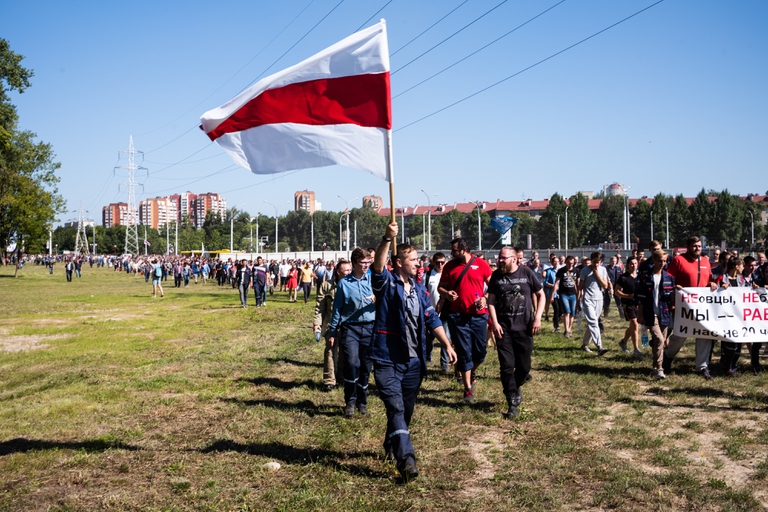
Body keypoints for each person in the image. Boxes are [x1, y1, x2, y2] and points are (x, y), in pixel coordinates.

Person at [371, 222, 457, 482]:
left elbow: (431, 319)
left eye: (419, 260)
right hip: (387, 358)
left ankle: (391, 442)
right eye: (413, 260)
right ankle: (406, 461)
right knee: (396, 409)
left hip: (413, 362)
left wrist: (446, 344)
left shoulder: (419, 289)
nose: (419, 264)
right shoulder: (386, 284)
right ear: (398, 262)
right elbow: (377, 266)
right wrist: (388, 237)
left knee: (404, 412)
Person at [487, 247, 544, 419]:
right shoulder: (496, 276)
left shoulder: (526, 273)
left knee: (524, 367)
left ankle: (517, 384)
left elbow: (540, 294)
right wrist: (495, 323)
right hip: (504, 329)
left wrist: (538, 318)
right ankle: (512, 400)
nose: (500, 261)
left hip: (525, 328)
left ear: (513, 258)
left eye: (504, 258)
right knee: (506, 367)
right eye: (499, 258)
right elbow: (490, 300)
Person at [438, 237, 492, 404]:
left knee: (480, 353)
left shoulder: (481, 264)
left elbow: (493, 287)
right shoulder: (449, 266)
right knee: (463, 351)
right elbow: (441, 287)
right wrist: (446, 294)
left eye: (454, 250)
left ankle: (470, 371)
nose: (451, 254)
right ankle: (467, 389)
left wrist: (485, 297)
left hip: (478, 315)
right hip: (457, 315)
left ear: (463, 249)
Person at [329, 248, 376, 418]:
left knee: (365, 367)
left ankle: (362, 402)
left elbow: (386, 297)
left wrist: (377, 298)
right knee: (351, 364)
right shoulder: (344, 283)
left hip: (370, 327)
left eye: (368, 262)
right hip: (351, 328)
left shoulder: (373, 279)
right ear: (354, 263)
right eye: (363, 262)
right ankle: (350, 401)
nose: (366, 265)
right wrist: (333, 331)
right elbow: (337, 309)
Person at [664, 236, 719, 379]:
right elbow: (667, 278)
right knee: (679, 335)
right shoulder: (678, 260)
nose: (697, 249)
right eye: (694, 246)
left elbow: (709, 280)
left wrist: (712, 284)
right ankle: (667, 358)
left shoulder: (706, 262)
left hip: (703, 306)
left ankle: (702, 366)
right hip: (684, 306)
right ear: (688, 247)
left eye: (699, 246)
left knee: (704, 336)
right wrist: (674, 289)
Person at [635, 250, 675, 379]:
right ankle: (660, 368)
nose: (662, 263)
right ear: (653, 260)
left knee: (660, 342)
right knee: (658, 339)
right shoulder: (645, 277)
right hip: (650, 313)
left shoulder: (669, 278)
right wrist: (640, 314)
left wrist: (676, 295)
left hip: (664, 314)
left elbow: (671, 297)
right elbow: (640, 298)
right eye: (660, 261)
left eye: (664, 261)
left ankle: (654, 367)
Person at [314, 260, 351, 392]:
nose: (349, 272)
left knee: (344, 353)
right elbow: (319, 307)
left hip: (348, 325)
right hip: (331, 325)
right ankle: (329, 381)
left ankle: (340, 377)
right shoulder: (326, 286)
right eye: (346, 270)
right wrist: (317, 324)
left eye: (350, 270)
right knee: (330, 351)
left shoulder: (353, 285)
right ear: (338, 271)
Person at [714, 257, 748, 376]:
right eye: (742, 265)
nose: (743, 268)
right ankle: (726, 366)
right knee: (729, 343)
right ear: (736, 266)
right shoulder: (721, 278)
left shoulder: (742, 280)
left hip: (739, 316)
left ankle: (733, 367)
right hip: (725, 316)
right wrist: (720, 289)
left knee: (738, 343)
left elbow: (748, 293)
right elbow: (713, 292)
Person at [578, 251, 609, 356]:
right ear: (591, 260)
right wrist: (578, 300)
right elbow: (580, 286)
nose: (596, 264)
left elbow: (605, 286)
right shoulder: (584, 270)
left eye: (598, 262)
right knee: (593, 322)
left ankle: (584, 344)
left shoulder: (603, 270)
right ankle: (599, 346)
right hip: (588, 299)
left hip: (599, 299)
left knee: (592, 323)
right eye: (594, 262)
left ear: (601, 262)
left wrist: (597, 275)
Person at [424, 252, 451, 372]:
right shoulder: (428, 276)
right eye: (438, 262)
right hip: (431, 312)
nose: (440, 265)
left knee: (446, 336)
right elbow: (423, 293)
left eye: (442, 262)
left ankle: (444, 362)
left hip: (445, 312)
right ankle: (427, 356)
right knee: (429, 338)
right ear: (433, 262)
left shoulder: (448, 275)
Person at [615, 256, 641, 357]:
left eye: (635, 263)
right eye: (631, 264)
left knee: (633, 326)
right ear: (628, 265)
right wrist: (628, 296)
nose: (633, 265)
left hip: (638, 304)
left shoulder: (640, 277)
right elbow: (617, 291)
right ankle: (636, 349)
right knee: (635, 324)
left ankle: (623, 342)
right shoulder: (623, 277)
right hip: (628, 304)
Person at [550, 256, 579, 338]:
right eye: (569, 263)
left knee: (572, 313)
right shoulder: (561, 271)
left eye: (572, 263)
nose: (570, 265)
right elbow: (556, 284)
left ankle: (569, 330)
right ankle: (566, 331)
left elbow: (579, 284)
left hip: (573, 294)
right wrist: (552, 295)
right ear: (566, 262)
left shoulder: (577, 271)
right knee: (566, 312)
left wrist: (580, 295)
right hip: (564, 294)